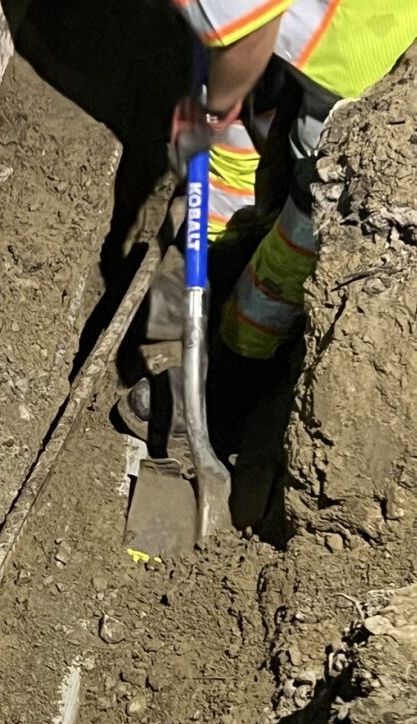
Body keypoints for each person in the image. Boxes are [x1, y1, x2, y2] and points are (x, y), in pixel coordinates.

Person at [118, 0, 417, 446]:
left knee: (289, 260)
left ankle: (222, 399)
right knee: (257, 122)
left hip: (373, 96)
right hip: (359, 38)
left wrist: (209, 114)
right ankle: (224, 257)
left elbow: (247, 43)